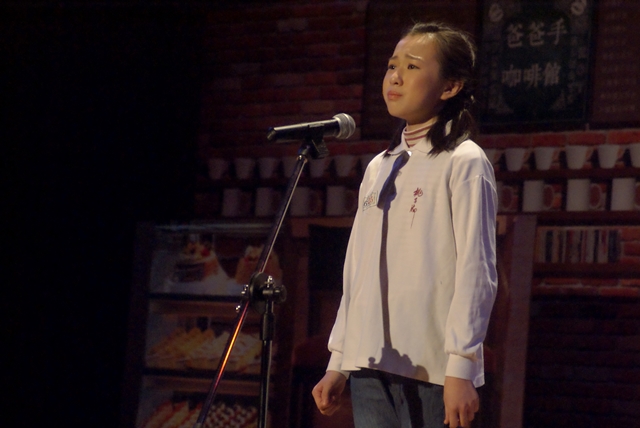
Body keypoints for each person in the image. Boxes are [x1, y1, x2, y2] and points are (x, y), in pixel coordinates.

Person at [311, 22, 498, 428]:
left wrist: (461, 366)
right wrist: (338, 360)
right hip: (370, 357)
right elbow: (357, 269)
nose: (394, 77)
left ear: (450, 86)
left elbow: (477, 269)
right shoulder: (380, 166)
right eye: (391, 65)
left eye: (412, 67)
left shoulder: (464, 161)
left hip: (432, 365)